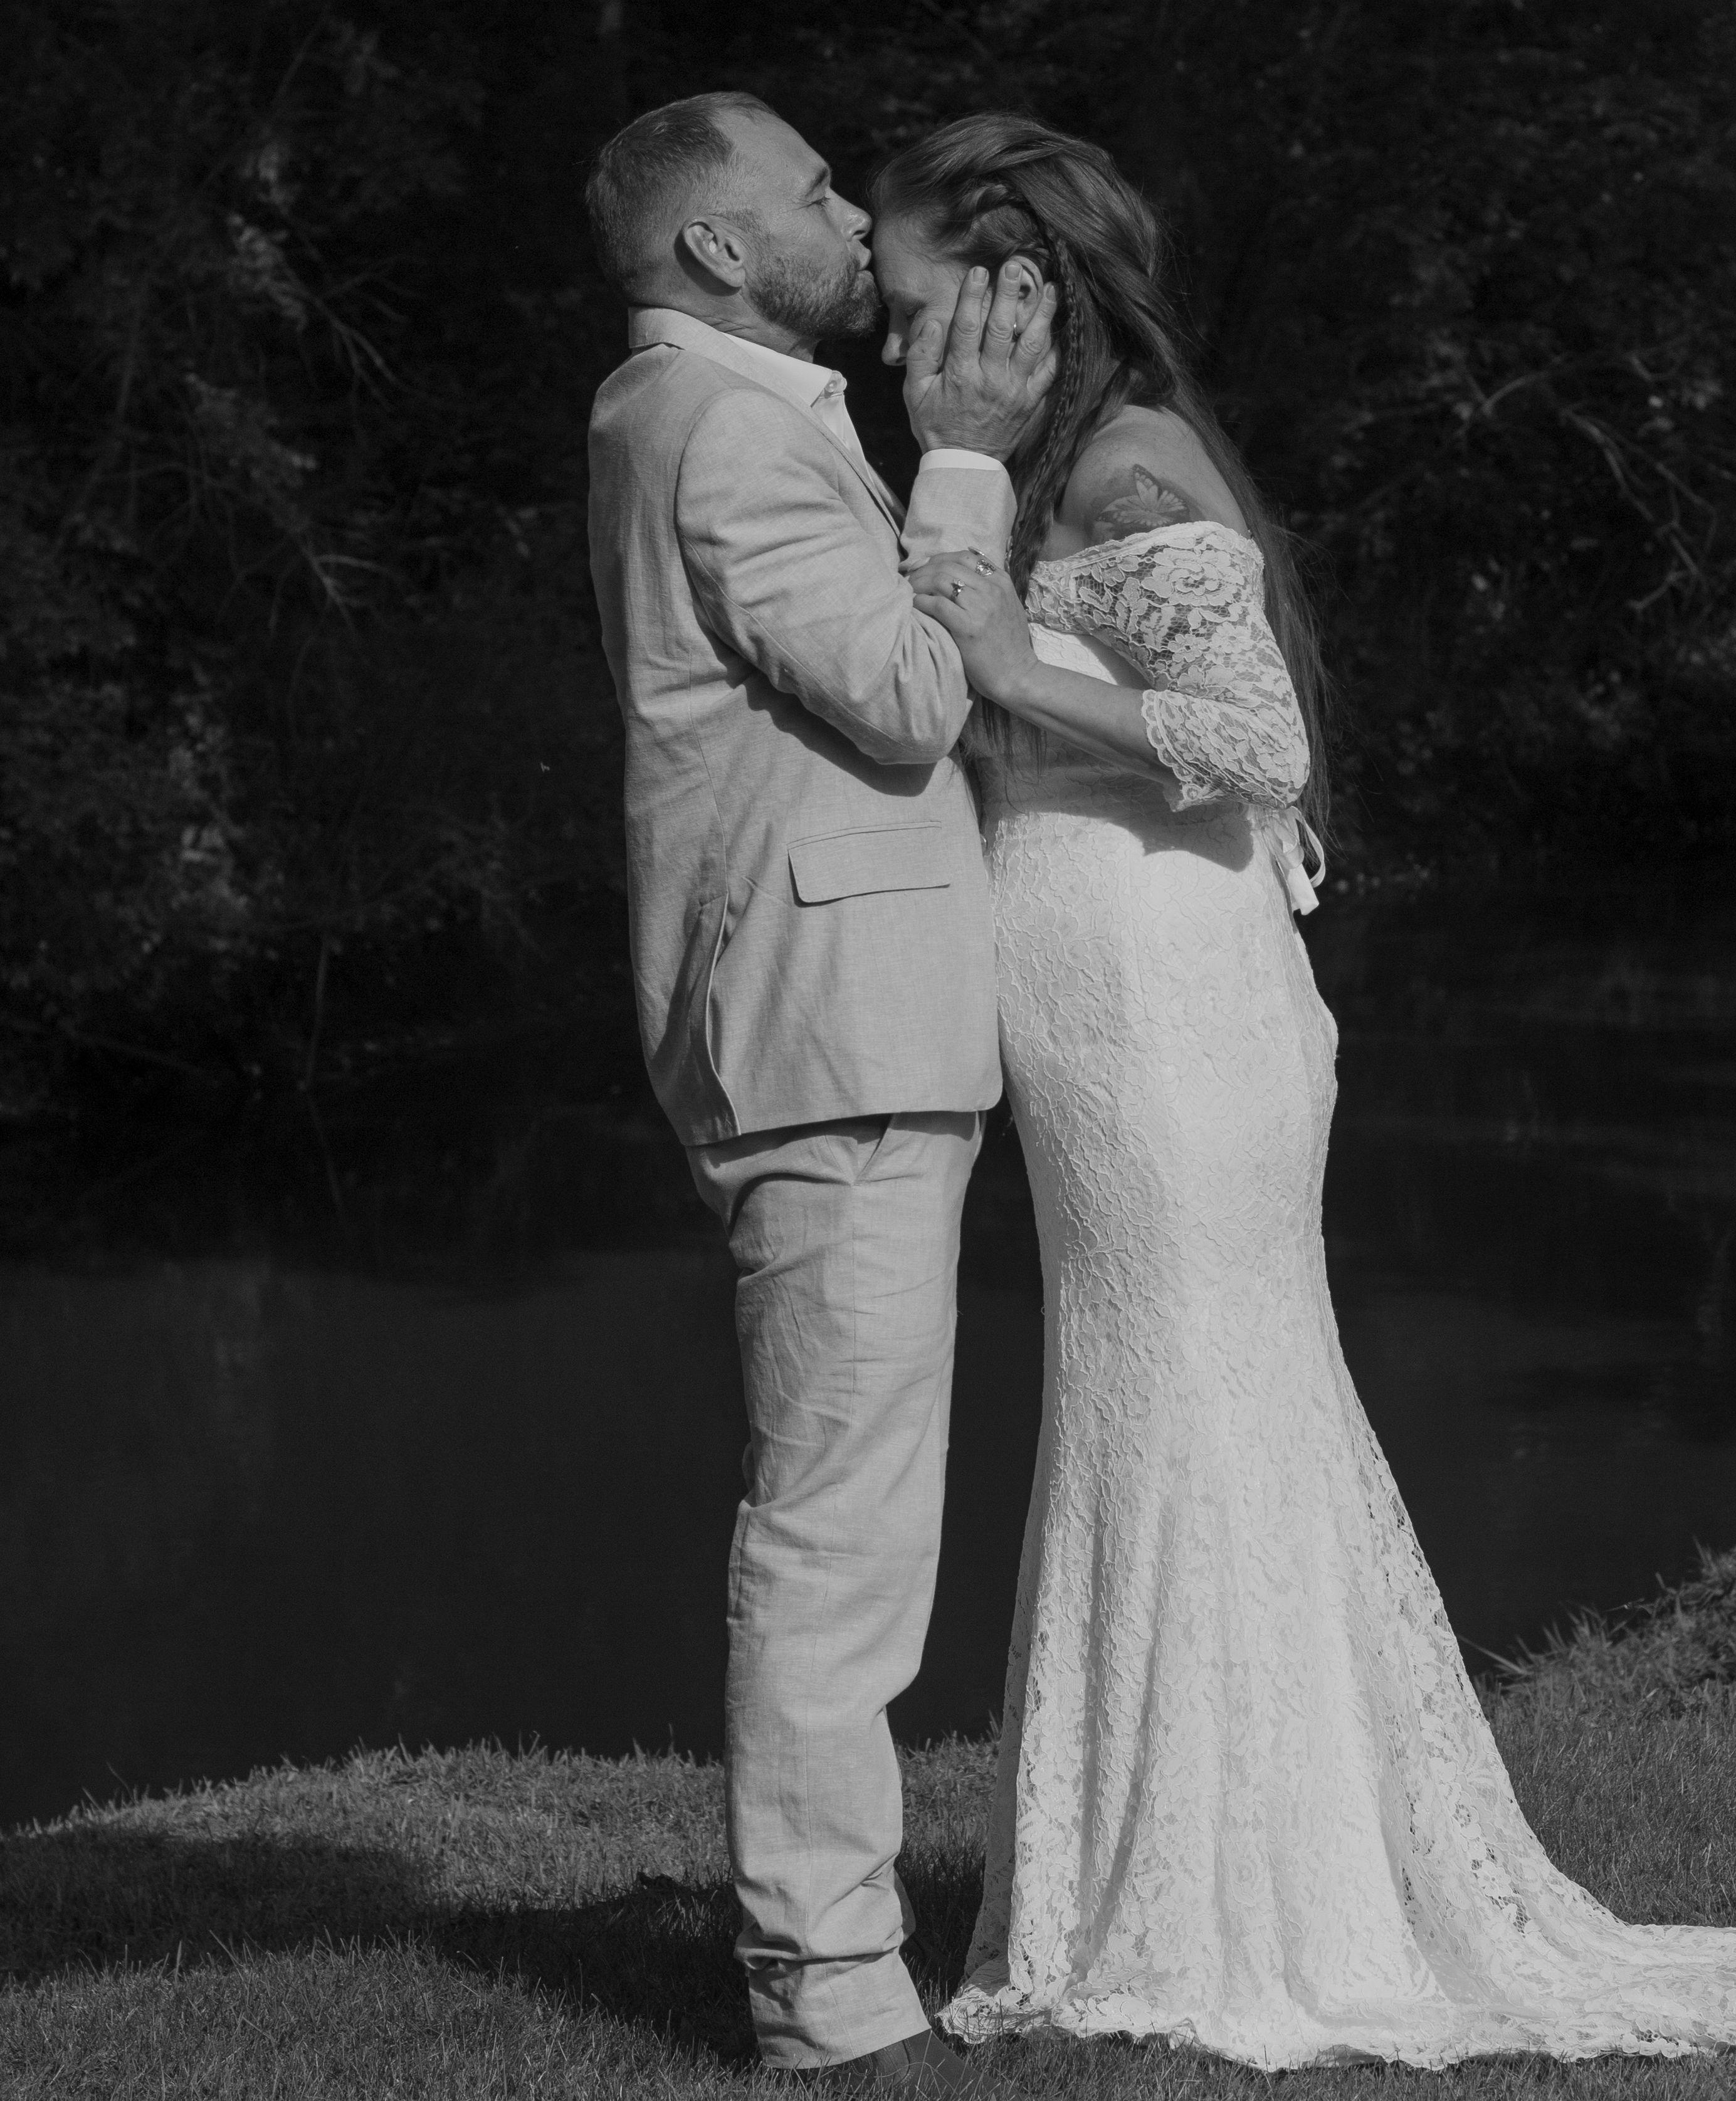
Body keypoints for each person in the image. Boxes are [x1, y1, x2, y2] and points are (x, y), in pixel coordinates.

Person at [871, 112, 1736, 2070]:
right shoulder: (1049, 463)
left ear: (1016, 278)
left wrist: (1015, 671)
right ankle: (1198, 1874)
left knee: (1184, 1396)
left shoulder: (1124, 462)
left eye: (909, 280)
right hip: (1109, 1004)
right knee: (1158, 1399)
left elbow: (1253, 740)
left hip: (1166, 1010)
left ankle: (1218, 1909)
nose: (886, 319)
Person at [582, 92, 1053, 2093]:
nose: (855, 217)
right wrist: (967, 462)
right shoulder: (725, 430)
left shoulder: (704, 410)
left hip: (821, 1018)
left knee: (843, 1516)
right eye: (811, 194)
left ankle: (829, 1959)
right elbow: (910, 691)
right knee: (837, 1538)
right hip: (828, 1028)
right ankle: (830, 1998)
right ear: (714, 246)